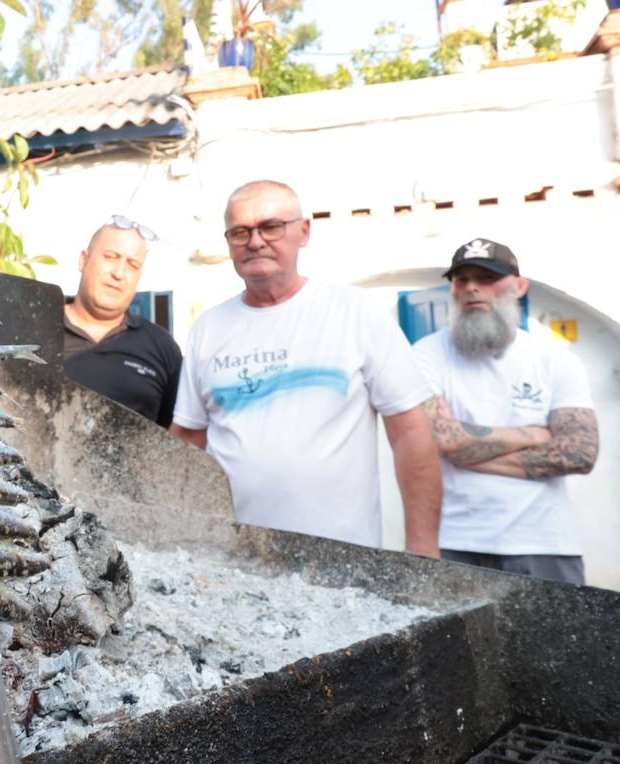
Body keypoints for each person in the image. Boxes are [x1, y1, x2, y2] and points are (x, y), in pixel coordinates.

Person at [171, 180, 441, 555]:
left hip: (343, 557)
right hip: (232, 556)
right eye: (240, 232)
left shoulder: (356, 313)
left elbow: (411, 433)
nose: (255, 241)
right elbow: (187, 442)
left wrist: (423, 547)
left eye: (270, 227)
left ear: (304, 231)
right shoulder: (208, 328)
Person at [413, 238, 598, 585]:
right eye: (462, 279)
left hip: (544, 544)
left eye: (486, 278)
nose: (472, 288)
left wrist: (468, 453)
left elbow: (580, 453)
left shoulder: (555, 360)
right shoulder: (426, 355)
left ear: (519, 286)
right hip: (454, 542)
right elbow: (443, 441)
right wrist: (534, 433)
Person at [63, 216, 182, 427]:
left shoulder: (162, 347)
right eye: (110, 257)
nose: (119, 273)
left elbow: (176, 436)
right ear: (83, 260)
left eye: (132, 265)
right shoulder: (33, 328)